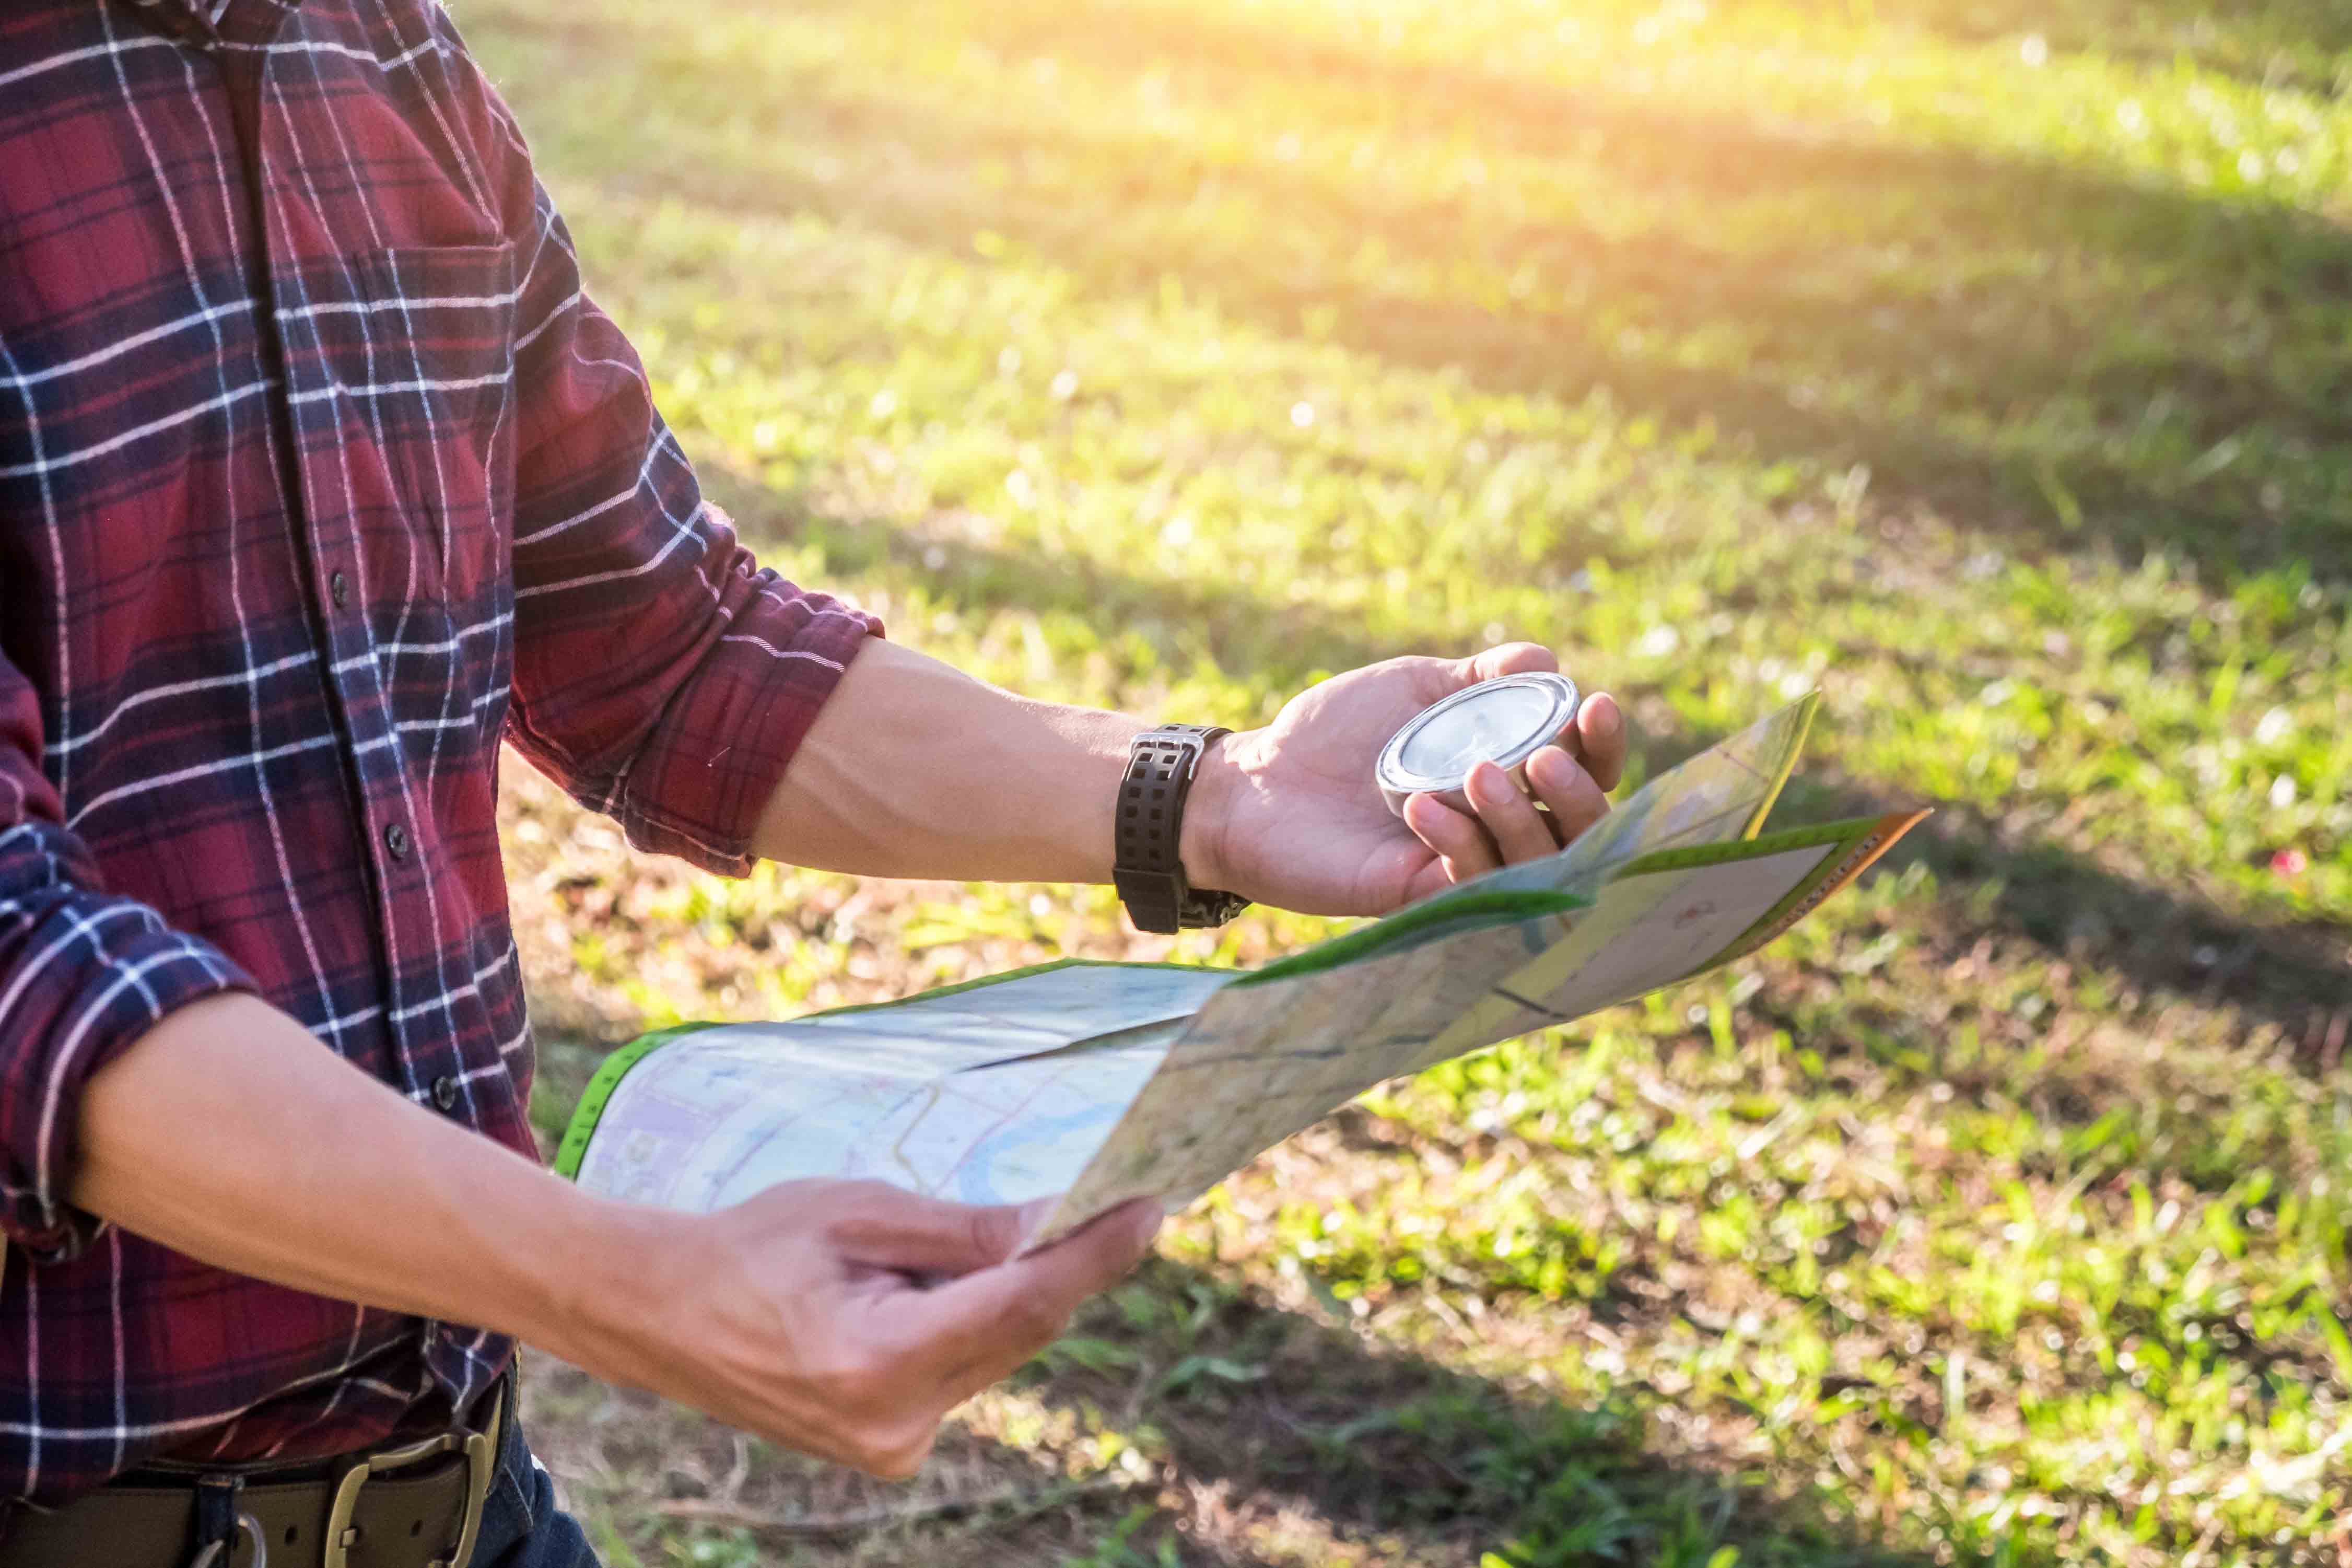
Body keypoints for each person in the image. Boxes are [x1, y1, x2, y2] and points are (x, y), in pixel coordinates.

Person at [0, 0, 1627, 1562]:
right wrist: (627, 1284)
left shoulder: (378, 49)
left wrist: (1221, 791)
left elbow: (672, 646)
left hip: (456, 1500)